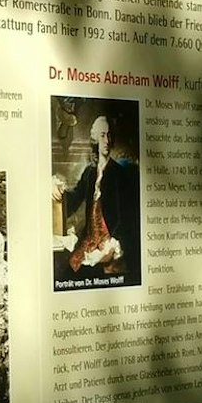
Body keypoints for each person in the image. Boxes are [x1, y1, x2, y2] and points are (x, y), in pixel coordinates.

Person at [52, 112, 139, 283]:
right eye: (102, 135)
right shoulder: (90, 172)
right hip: (89, 242)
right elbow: (74, 200)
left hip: (109, 245)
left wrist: (115, 244)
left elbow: (127, 217)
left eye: (109, 135)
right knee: (64, 271)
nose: (106, 140)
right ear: (95, 139)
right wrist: (55, 186)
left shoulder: (120, 174)